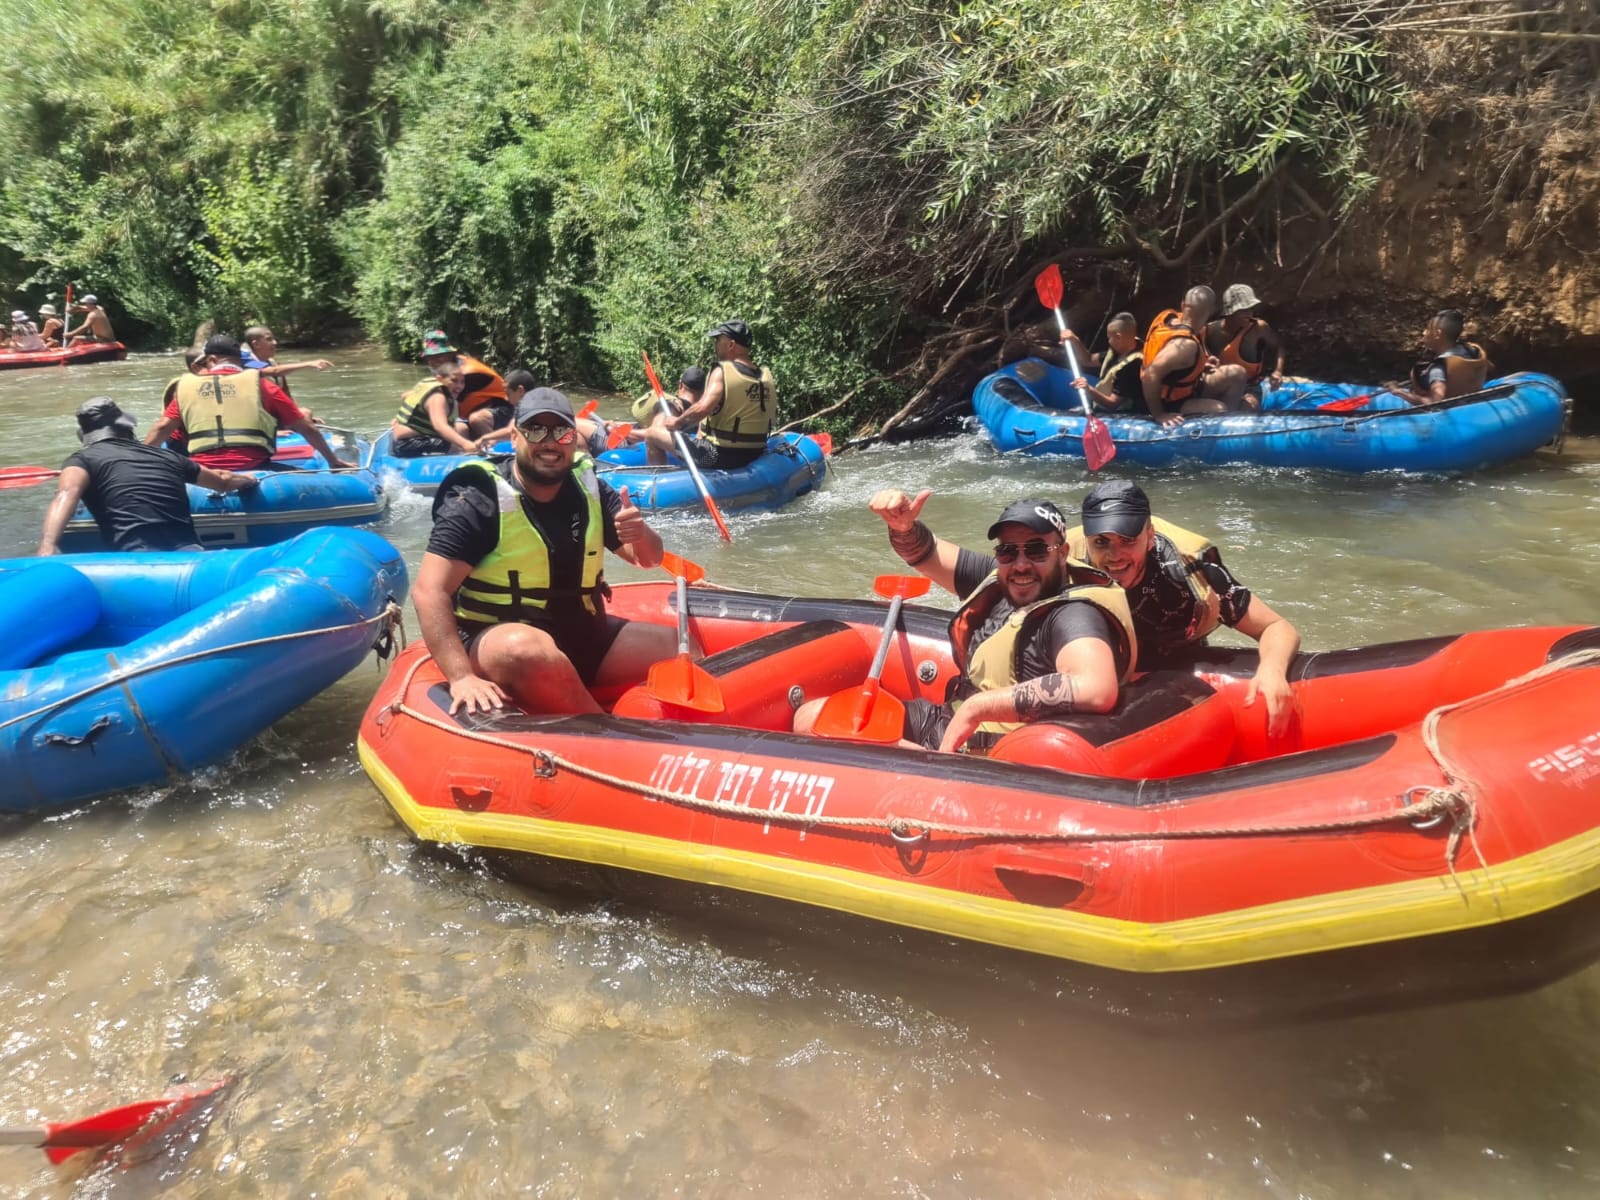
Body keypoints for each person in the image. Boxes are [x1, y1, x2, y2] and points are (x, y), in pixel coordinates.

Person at [794, 492, 1135, 754]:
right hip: (943, 720)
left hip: (982, 752)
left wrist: (977, 707)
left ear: (1062, 552)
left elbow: (1097, 688)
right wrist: (903, 527)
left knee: (828, 733)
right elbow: (924, 552)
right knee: (810, 717)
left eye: (1036, 550)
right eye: (1007, 552)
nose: (1020, 564)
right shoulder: (1003, 580)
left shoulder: (1072, 613)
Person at [412, 387, 680, 716]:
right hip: (500, 641)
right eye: (536, 430)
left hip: (582, 636)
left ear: (574, 438)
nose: (549, 442)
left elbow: (648, 559)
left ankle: (676, 734)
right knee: (526, 649)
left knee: (679, 647)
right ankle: (608, 732)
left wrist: (639, 534)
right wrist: (461, 676)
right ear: (514, 436)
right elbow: (429, 590)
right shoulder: (477, 497)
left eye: (561, 432)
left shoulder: (589, 486)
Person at [1066, 480, 1300, 737]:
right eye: (1101, 542)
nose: (1115, 556)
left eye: (1128, 540)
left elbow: (1276, 627)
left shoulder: (1190, 569)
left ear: (1150, 537)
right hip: (1105, 665)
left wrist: (1273, 671)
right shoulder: (1063, 565)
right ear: (1087, 542)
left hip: (1178, 654)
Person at [37, 398, 258, 555]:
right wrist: (249, 480)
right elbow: (222, 482)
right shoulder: (167, 456)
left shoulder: (82, 460)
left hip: (136, 558)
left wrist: (48, 547)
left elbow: (66, 494)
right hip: (190, 555)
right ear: (127, 428)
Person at [143, 334, 353, 471]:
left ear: (212, 360)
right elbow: (307, 428)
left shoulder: (186, 388)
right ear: (240, 360)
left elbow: (161, 428)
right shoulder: (263, 386)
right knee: (309, 475)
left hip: (203, 471)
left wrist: (137, 462)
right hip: (255, 466)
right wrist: (333, 461)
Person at [644, 319, 775, 471]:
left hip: (719, 456)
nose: (716, 345)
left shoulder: (722, 371)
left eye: (719, 340)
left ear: (731, 344)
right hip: (756, 453)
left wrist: (677, 422)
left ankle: (659, 483)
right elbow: (771, 420)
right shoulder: (764, 377)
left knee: (652, 434)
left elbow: (702, 408)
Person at [1140, 286, 1248, 425]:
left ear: (1183, 305)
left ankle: (1231, 423)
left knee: (1237, 373)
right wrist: (1159, 414)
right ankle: (1224, 427)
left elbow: (1179, 365)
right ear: (1211, 311)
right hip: (1171, 401)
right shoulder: (1185, 346)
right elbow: (1150, 375)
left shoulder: (1171, 317)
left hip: (1189, 386)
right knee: (1220, 409)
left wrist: (1203, 362)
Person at [417, 329, 511, 440]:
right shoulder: (446, 368)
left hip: (503, 408)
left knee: (477, 419)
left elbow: (443, 401)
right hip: (474, 410)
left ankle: (496, 448)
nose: (433, 362)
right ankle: (466, 452)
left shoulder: (465, 374)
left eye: (438, 357)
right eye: (429, 358)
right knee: (460, 427)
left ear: (450, 354)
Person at [1204, 284, 1284, 408]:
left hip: (1249, 386)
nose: (1249, 314)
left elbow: (1278, 347)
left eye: (1250, 309)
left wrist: (1278, 371)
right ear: (1230, 312)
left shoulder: (1258, 328)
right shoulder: (1209, 330)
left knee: (1248, 406)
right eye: (1243, 311)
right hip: (1221, 383)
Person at [1393, 309, 1492, 406]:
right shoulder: (1471, 350)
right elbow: (1489, 366)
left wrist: (1399, 392)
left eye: (1427, 329)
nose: (1423, 332)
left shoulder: (1437, 368)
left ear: (1437, 334)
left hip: (1452, 409)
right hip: (1470, 399)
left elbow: (1436, 402)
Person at [391, 350, 479, 458]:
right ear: (439, 379)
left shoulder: (430, 383)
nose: (459, 386)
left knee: (460, 430)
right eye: (454, 381)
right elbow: (440, 426)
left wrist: (399, 419)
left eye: (462, 382)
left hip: (409, 439)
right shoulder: (438, 397)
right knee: (456, 445)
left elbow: (406, 396)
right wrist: (466, 444)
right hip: (408, 444)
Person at [1060, 313, 1145, 414]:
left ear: (1118, 337)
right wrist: (1075, 340)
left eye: (1109, 337)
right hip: (1099, 407)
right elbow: (1088, 360)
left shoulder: (1133, 365)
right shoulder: (1118, 350)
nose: (1108, 341)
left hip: (1118, 415)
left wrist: (1088, 389)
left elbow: (1112, 404)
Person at [636, 366, 708, 462]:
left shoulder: (672, 405)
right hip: (698, 449)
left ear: (680, 385)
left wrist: (623, 433)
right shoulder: (705, 411)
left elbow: (653, 432)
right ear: (704, 391)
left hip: (680, 449)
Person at [240, 325, 334, 398]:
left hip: (275, 409)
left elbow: (285, 392)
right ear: (256, 344)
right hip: (257, 413)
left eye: (274, 339)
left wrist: (298, 416)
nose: (275, 343)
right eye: (269, 339)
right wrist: (309, 364)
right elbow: (273, 371)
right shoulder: (245, 360)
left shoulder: (272, 362)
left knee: (306, 413)